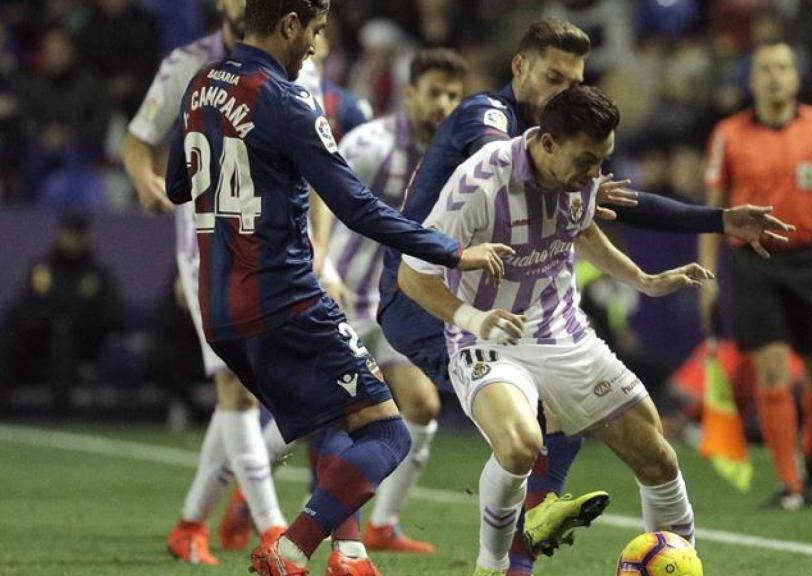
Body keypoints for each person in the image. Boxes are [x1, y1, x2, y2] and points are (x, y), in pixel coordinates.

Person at [378, 19, 791, 574]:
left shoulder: (574, 150)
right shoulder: (491, 131)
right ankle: (507, 553)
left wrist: (673, 253)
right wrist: (474, 318)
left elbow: (582, 209)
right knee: (527, 435)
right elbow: (524, 184)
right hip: (435, 296)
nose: (563, 90)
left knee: (640, 446)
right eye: (554, 77)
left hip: (550, 324)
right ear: (520, 68)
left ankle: (551, 517)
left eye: (573, 80)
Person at [163, 1, 508, 574]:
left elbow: (178, 184)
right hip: (285, 299)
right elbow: (357, 206)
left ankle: (348, 553)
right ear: (290, 23)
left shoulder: (202, 84)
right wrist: (453, 251)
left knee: (335, 420)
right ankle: (292, 548)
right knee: (389, 433)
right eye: (315, 32)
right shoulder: (286, 99)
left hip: (219, 308)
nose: (315, 47)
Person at [399, 86, 708, 576]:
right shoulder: (480, 183)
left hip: (563, 334)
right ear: (546, 142)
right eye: (586, 160)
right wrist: (474, 319)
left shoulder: (578, 176)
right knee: (521, 445)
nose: (594, 175)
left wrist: (644, 281)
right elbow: (413, 275)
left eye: (601, 161)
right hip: (487, 338)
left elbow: (583, 230)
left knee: (659, 460)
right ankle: (492, 566)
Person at [120, 0, 321, 562]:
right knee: (235, 388)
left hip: (278, 249)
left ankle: (190, 522)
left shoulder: (298, 61)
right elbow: (137, 141)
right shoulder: (189, 65)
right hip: (210, 248)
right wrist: (146, 181)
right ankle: (271, 528)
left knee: (256, 388)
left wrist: (319, 244)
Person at [698, 40, 812, 510]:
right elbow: (714, 212)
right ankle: (790, 482)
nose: (774, 76)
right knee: (771, 368)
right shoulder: (727, 135)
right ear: (752, 80)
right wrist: (708, 275)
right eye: (765, 68)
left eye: (783, 68)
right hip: (754, 261)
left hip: (811, 260)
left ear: (796, 77)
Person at [321, 48, 468, 557]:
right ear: (409, 94)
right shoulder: (372, 142)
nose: (444, 104)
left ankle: (384, 525)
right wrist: (325, 265)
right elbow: (316, 192)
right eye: (434, 93)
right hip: (342, 298)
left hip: (396, 305)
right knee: (320, 417)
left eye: (453, 95)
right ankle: (246, 501)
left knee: (423, 406)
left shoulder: (455, 157)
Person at [4, 213, 121, 415]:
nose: (72, 241)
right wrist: (47, 321)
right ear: (60, 234)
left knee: (63, 340)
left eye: (78, 235)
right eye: (69, 234)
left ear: (87, 238)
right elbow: (21, 310)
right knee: (6, 345)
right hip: (37, 342)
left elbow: (112, 315)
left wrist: (75, 324)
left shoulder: (97, 274)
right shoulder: (42, 270)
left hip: (81, 347)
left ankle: (61, 414)